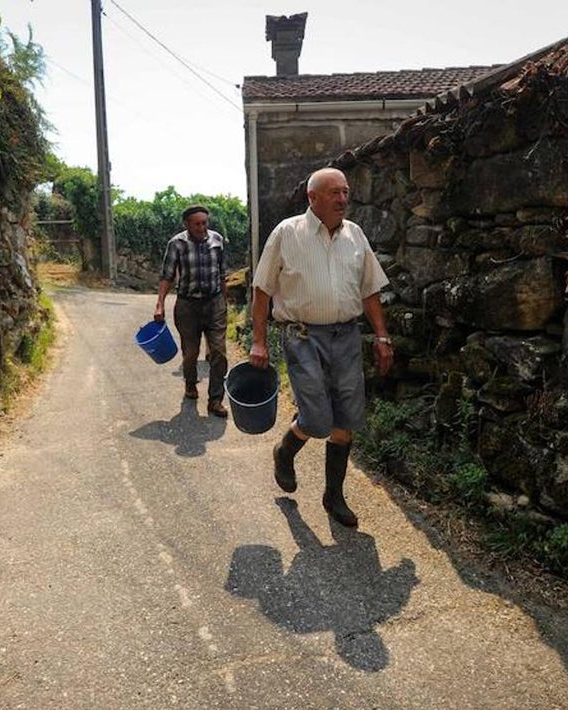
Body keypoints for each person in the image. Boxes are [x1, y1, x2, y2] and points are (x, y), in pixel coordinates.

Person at [249, 167, 394, 528]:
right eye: (334, 192)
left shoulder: (355, 235)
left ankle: (334, 496)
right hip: (301, 335)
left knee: (346, 417)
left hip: (345, 335)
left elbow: (370, 289)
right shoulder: (287, 233)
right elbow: (262, 290)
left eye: (345, 192)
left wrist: (381, 336)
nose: (343, 199)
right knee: (316, 418)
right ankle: (285, 451)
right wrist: (258, 341)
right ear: (312, 198)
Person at [155, 204, 229, 417]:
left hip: (214, 303)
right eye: (197, 224)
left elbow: (222, 273)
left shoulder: (217, 240)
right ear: (186, 224)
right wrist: (160, 303)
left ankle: (215, 400)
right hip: (188, 306)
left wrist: (224, 303)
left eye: (205, 223)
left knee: (218, 352)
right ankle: (190, 382)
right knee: (191, 352)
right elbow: (167, 276)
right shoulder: (176, 244)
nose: (202, 227)